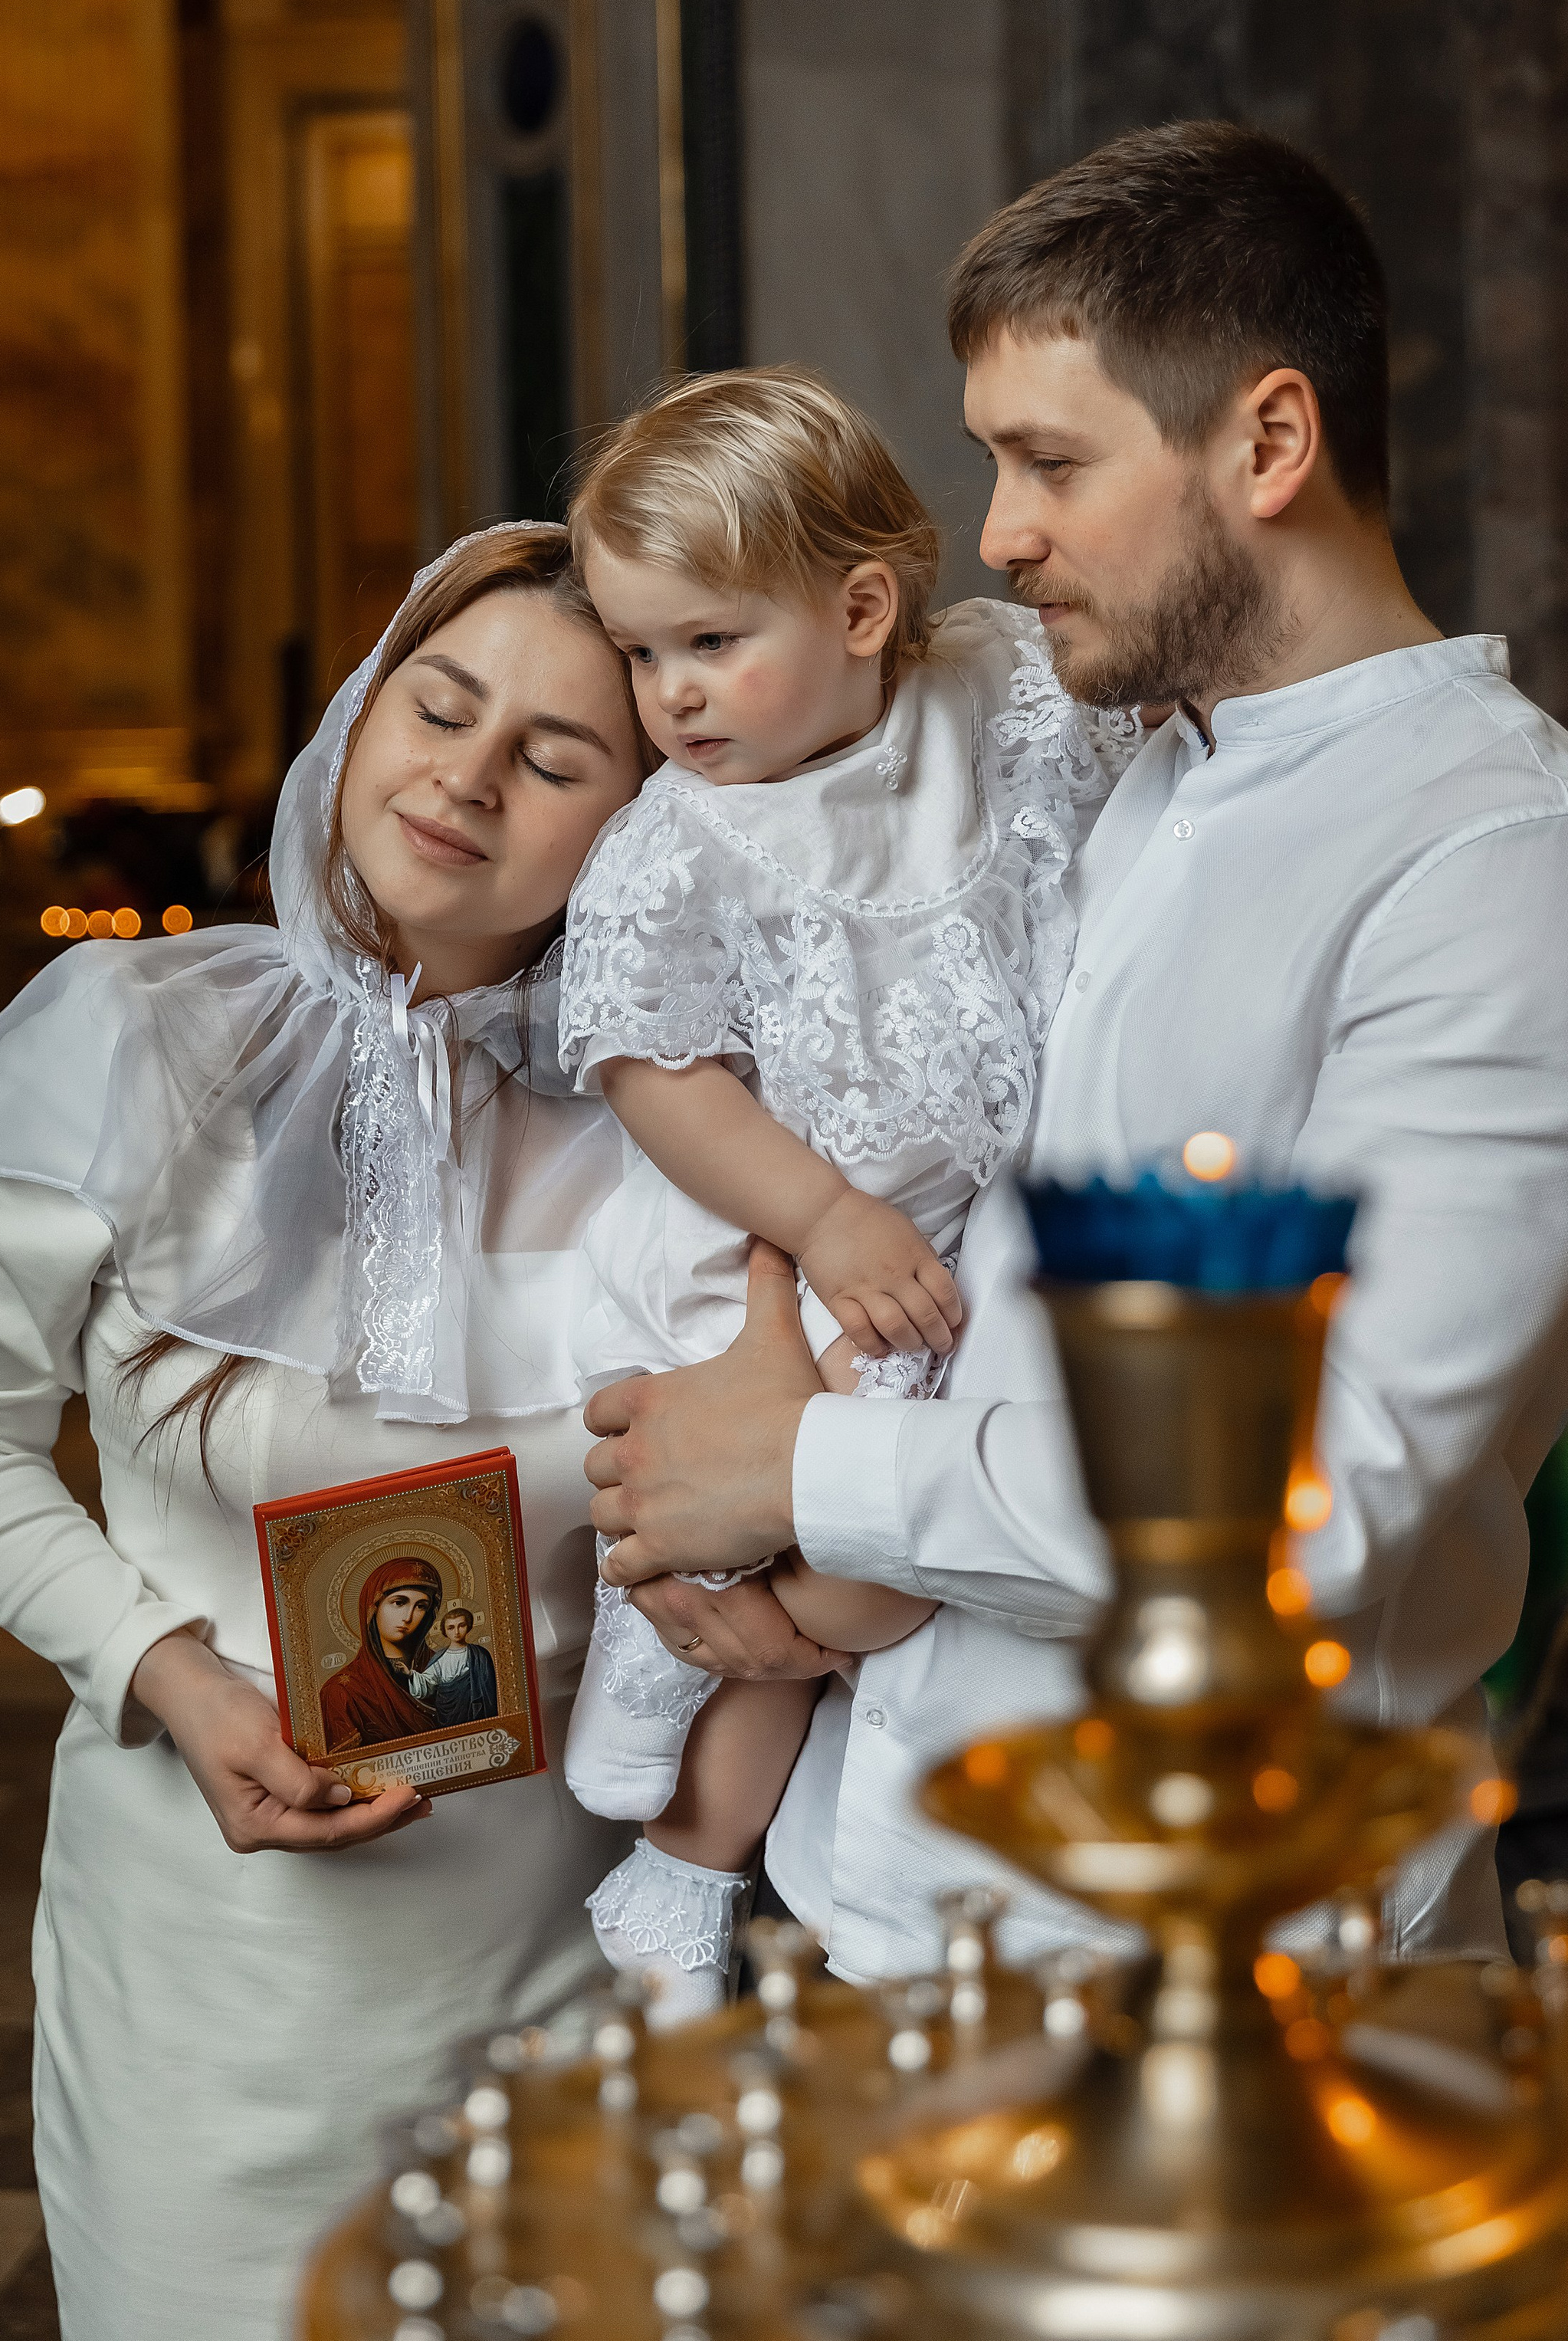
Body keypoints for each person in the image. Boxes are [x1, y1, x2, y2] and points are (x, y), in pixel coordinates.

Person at [581, 121, 1568, 1978]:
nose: (1001, 532)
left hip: (1227, 1956)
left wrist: (805, 1476)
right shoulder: (1110, 779)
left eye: (1048, 462)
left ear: (1265, 443)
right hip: (893, 1883)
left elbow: (1327, 1491)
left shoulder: (1515, 872)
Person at [0, 524, 653, 2341]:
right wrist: (174, 1674)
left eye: (552, 756)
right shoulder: (135, 1032)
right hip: (211, 1970)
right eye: (435, 706)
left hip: (566, 1945)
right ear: (359, 714)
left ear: (637, 824)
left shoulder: (671, 1129)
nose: (463, 774)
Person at [553, 368, 1133, 2021]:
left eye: (707, 642)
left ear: (864, 605)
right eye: (639, 652)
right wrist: (819, 1219)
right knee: (807, 1546)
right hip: (774, 1232)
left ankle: (711, 1755)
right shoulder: (682, 842)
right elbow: (651, 1072)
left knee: (874, 1543)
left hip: (954, 1234)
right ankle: (687, 1851)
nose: (669, 697)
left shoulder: (995, 698)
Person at [320, 1557, 444, 1754]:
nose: (408, 1616)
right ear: (373, 1607)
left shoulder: (447, 1670)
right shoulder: (343, 1691)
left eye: (421, 1606)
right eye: (399, 1602)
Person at [410, 1600, 501, 1726]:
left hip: (474, 1712)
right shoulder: (440, 1658)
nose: (457, 1632)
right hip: (446, 1713)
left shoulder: (480, 1655)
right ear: (445, 1631)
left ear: (468, 1626)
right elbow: (427, 1683)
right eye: (451, 1628)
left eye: (461, 1625)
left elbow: (489, 1689)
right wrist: (409, 1674)